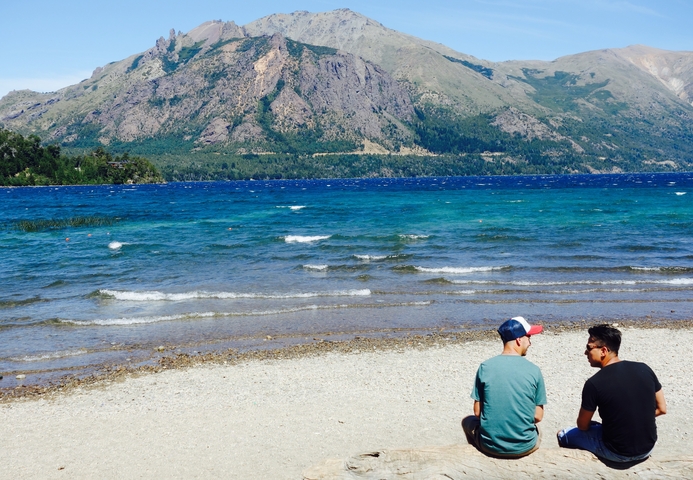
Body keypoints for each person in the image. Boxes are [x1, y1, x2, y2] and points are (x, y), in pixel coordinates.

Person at [557, 324, 667, 463]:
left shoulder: (594, 383)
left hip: (617, 452)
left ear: (603, 351)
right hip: (647, 448)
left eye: (589, 348)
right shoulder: (644, 369)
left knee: (564, 435)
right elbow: (662, 408)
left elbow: (582, 426)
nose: (585, 353)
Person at [462, 316, 546, 458]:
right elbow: (538, 416)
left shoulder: (485, 367)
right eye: (529, 337)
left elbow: (477, 412)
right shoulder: (534, 370)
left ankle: (477, 456)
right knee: (538, 430)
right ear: (519, 340)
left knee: (467, 421)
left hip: (490, 446)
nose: (530, 343)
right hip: (525, 446)